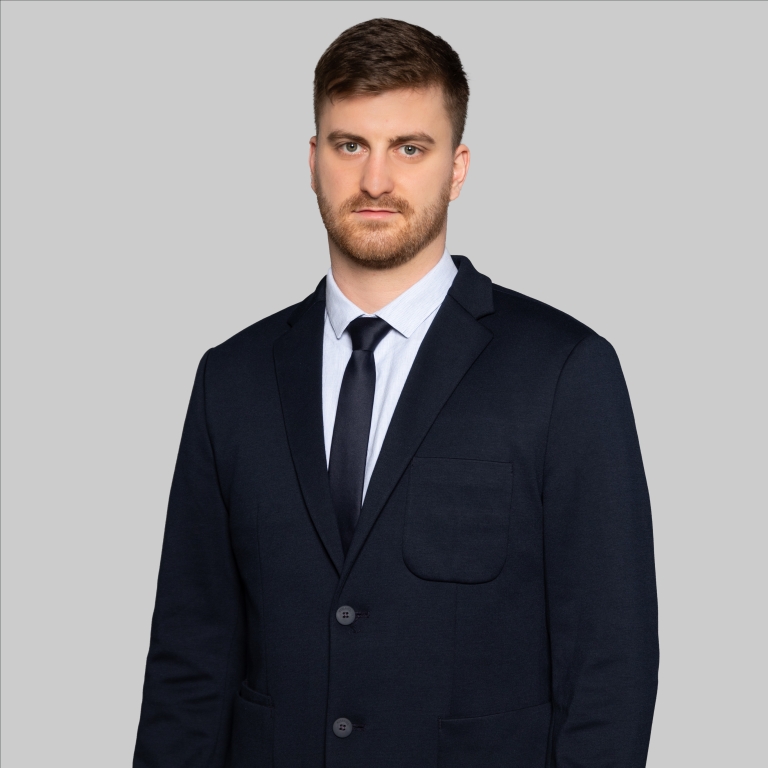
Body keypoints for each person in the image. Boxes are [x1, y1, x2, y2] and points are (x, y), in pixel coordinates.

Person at [133, 17, 658, 768]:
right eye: (350, 145)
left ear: (458, 168)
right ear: (313, 161)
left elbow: (611, 667)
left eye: (410, 148)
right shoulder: (232, 378)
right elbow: (189, 661)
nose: (376, 180)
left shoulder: (564, 372)